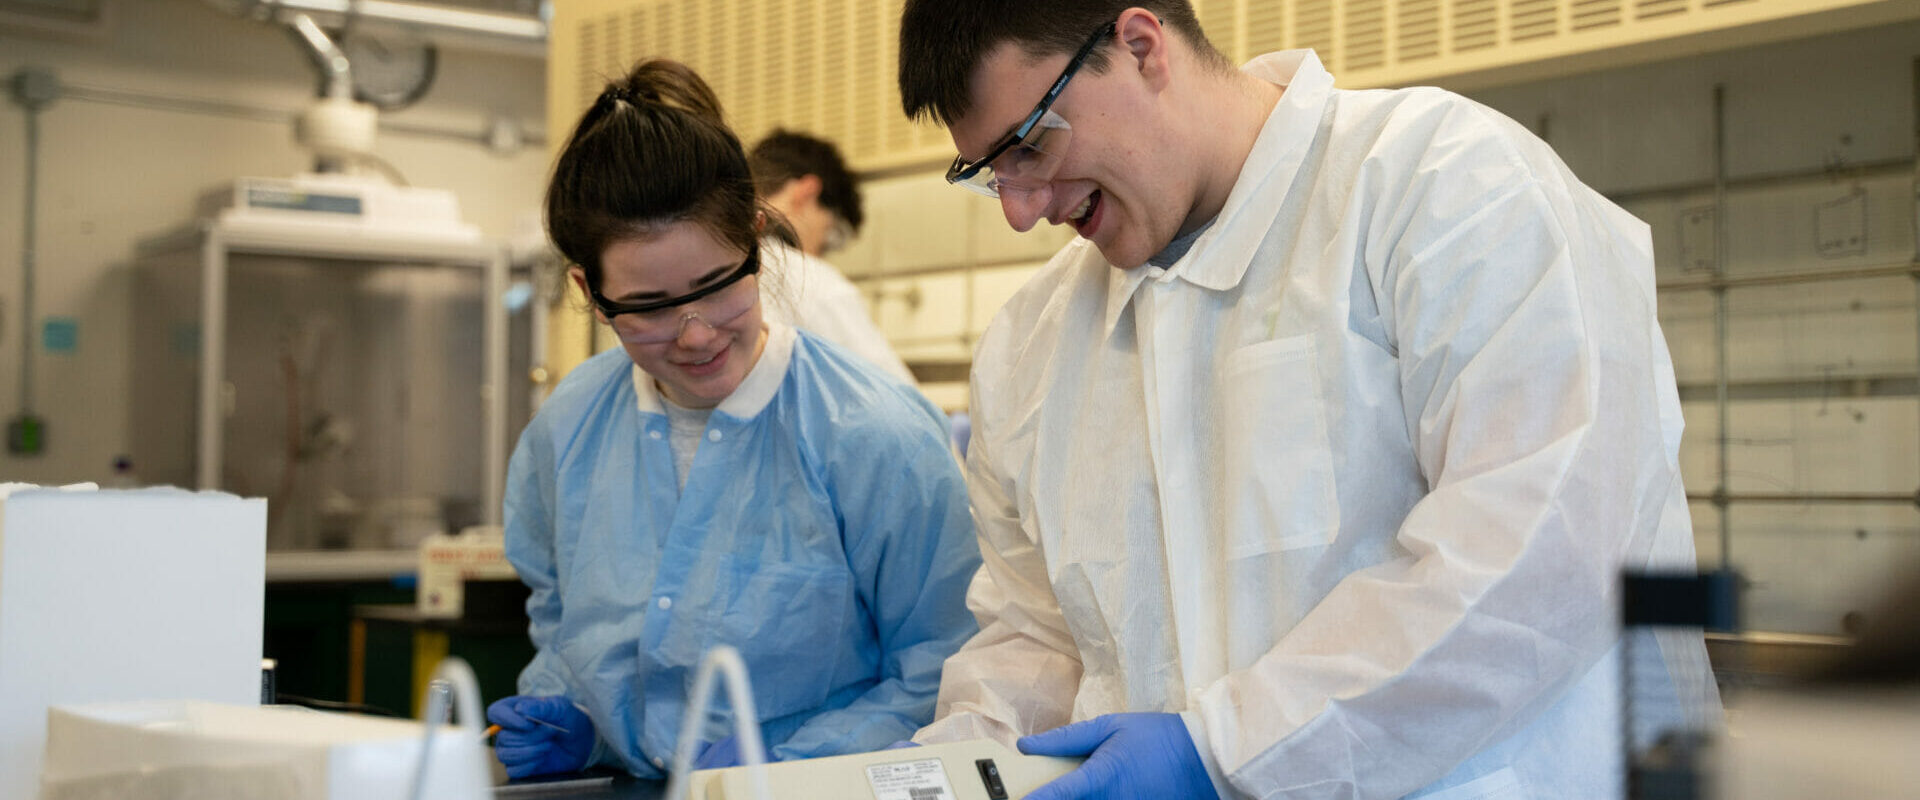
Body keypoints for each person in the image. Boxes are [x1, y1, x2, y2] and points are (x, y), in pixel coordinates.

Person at [897, 3, 1716, 799]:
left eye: (1031, 145)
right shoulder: (1030, 345)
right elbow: (1036, 634)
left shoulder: (1446, 188)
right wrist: (944, 772)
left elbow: (1545, 555)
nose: (1018, 209)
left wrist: (1225, 752)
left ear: (1143, 46)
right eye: (988, 173)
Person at [486, 58, 980, 781]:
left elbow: (944, 664)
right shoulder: (570, 428)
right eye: (649, 305)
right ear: (590, 292)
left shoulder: (876, 436)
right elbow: (562, 618)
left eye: (718, 286)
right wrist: (580, 718)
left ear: (755, 238)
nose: (694, 334)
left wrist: (791, 762)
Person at [749, 130, 917, 385]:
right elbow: (899, 395)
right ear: (806, 192)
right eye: (830, 234)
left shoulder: (714, 263)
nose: (820, 251)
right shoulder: (809, 279)